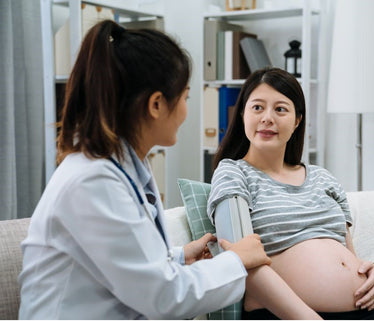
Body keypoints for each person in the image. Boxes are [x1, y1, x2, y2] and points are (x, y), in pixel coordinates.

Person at [18, 20, 272, 320]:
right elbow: (164, 297)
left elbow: (123, 265)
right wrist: (236, 260)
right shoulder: (91, 182)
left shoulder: (122, 168)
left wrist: (180, 256)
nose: (186, 112)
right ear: (156, 104)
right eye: (186, 97)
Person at [207, 67, 374, 320]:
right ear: (242, 114)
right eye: (257, 107)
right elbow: (241, 262)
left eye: (280, 109)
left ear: (297, 120)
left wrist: (372, 272)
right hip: (284, 315)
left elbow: (349, 254)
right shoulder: (233, 173)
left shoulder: (323, 178)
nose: (267, 117)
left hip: (357, 311)